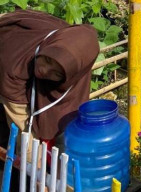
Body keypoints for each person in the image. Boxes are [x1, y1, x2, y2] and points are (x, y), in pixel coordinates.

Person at [0, 10, 99, 150]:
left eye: (56, 73)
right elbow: (20, 122)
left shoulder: (67, 43)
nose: (44, 70)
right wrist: (35, 161)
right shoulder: (14, 66)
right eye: (46, 59)